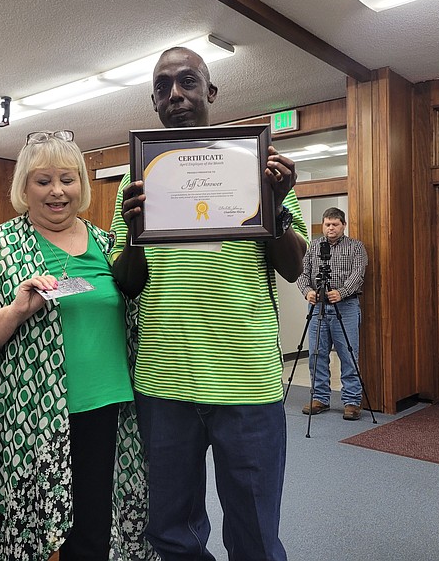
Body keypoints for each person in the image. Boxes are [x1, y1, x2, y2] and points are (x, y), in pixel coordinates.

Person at [110, 47, 308, 560]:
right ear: (154, 102)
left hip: (246, 380)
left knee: (256, 534)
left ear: (210, 92)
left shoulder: (258, 170)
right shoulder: (136, 185)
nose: (175, 95)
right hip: (164, 380)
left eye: (187, 82)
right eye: (162, 87)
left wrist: (277, 207)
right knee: (173, 532)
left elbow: (294, 267)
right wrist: (135, 232)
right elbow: (126, 284)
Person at [0, 131, 154, 561]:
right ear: (24, 188)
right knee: (35, 532)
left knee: (93, 529)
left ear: (82, 185)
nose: (57, 191)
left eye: (68, 179)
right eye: (43, 181)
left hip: (106, 406)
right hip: (28, 419)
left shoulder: (108, 244)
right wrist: (16, 311)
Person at [296, 207, 368, 420]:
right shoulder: (313, 247)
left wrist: (342, 292)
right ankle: (320, 398)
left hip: (345, 306)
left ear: (343, 225)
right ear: (323, 225)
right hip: (317, 307)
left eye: (335, 224)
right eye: (327, 224)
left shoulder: (356, 247)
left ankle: (352, 401)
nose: (331, 228)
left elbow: (358, 274)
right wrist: (307, 292)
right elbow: (302, 273)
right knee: (316, 354)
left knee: (348, 354)